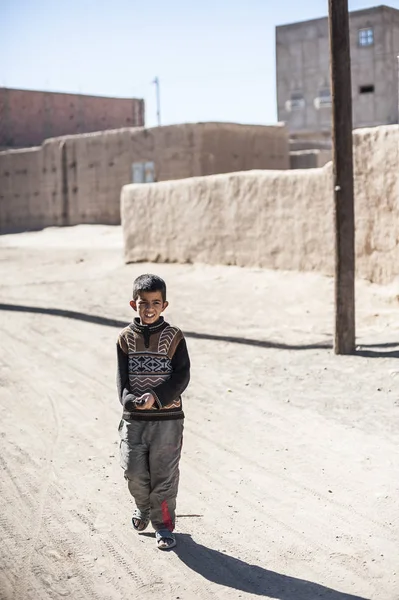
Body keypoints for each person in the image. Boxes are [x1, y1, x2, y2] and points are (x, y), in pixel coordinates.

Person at [116, 273, 190, 550]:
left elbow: (182, 376)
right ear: (133, 304)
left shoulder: (174, 337)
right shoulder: (124, 338)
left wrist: (156, 397)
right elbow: (122, 380)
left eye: (155, 303)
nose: (149, 308)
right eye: (143, 302)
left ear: (164, 305)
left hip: (168, 420)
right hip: (135, 419)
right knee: (133, 471)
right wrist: (130, 400)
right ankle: (142, 506)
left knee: (164, 475)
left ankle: (163, 525)